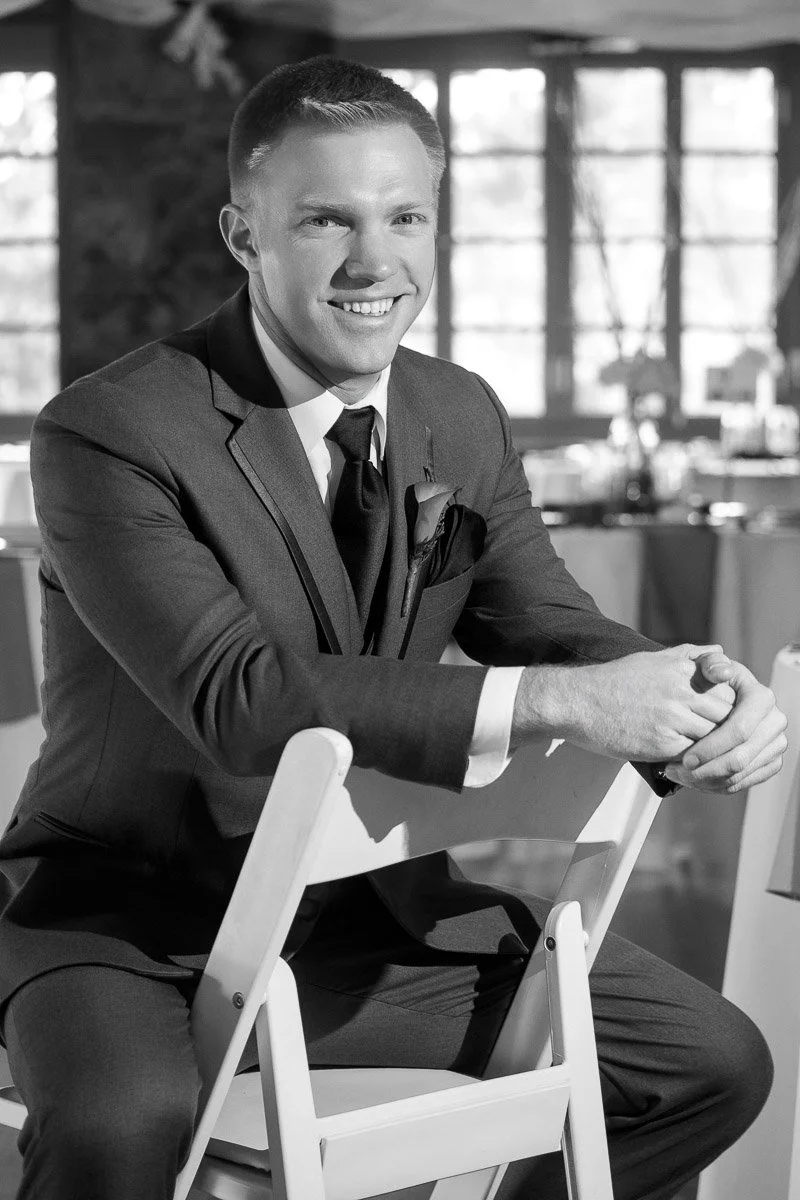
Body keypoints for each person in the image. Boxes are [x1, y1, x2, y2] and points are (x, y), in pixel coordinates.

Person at [0, 56, 786, 1200]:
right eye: (325, 220)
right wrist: (565, 703)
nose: (376, 262)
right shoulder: (106, 430)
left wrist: (692, 690)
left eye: (405, 216)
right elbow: (242, 697)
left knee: (708, 1066)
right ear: (243, 234)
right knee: (129, 1127)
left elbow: (546, 619)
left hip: (363, 921)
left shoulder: (454, 409)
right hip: (133, 923)